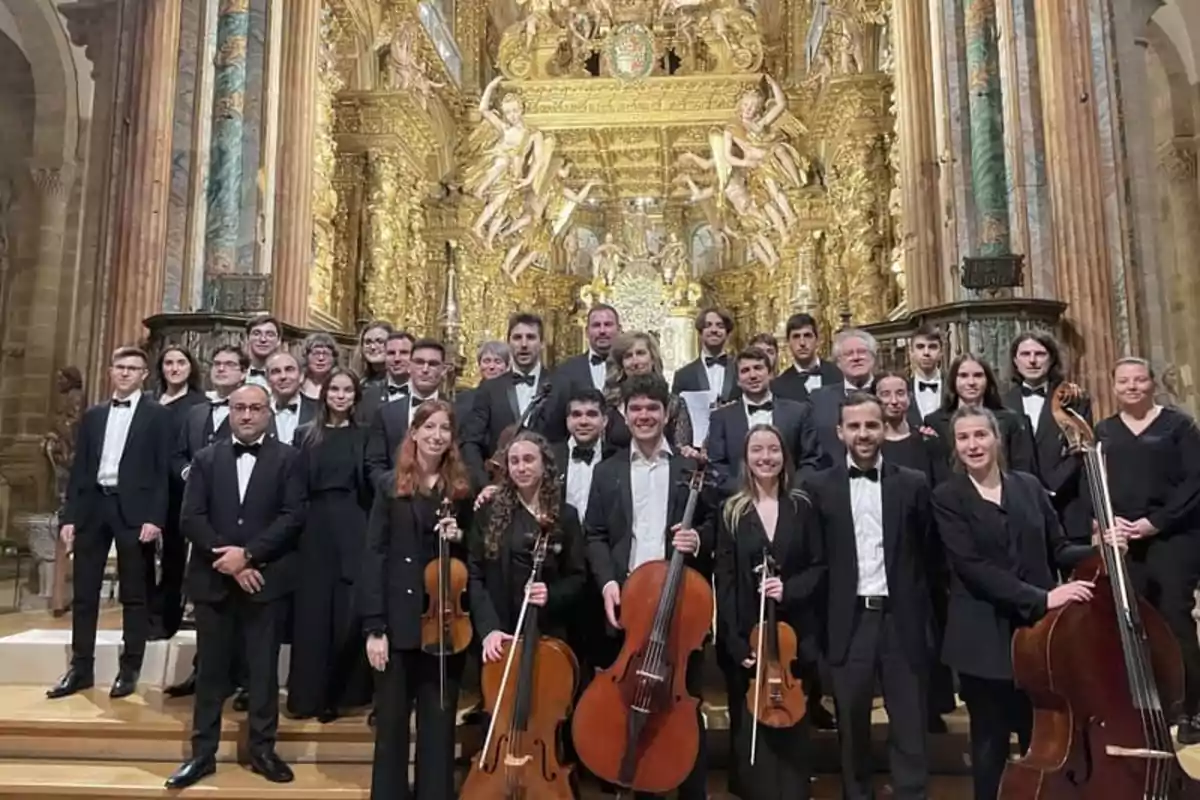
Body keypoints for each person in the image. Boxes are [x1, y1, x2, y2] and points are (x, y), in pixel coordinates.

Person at [932, 405, 1097, 800]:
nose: (973, 444)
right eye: (964, 437)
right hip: (982, 638)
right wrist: (1042, 597)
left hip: (1038, 637)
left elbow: (1057, 548)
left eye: (980, 435)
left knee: (1039, 735)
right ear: (955, 446)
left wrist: (1097, 548)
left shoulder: (1028, 485)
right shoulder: (947, 497)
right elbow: (973, 568)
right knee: (989, 742)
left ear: (996, 438)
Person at [167, 384, 304, 788]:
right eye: (239, 408)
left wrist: (249, 556)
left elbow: (293, 516)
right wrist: (227, 559)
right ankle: (202, 754)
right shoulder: (206, 459)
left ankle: (262, 749)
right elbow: (191, 517)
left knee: (263, 673)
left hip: (266, 580)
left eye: (255, 408)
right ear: (229, 412)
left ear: (268, 413)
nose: (246, 415)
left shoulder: (289, 459)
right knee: (211, 673)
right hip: (213, 580)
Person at [582, 374, 711, 799]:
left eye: (652, 408)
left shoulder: (690, 468)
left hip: (678, 604)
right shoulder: (607, 471)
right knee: (622, 701)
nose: (643, 416)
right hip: (629, 604)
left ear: (666, 413)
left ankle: (677, 777)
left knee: (678, 700)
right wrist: (606, 584)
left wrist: (698, 539)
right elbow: (595, 534)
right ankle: (620, 776)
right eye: (635, 409)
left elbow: (712, 527)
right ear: (623, 414)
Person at [807, 393, 934, 800]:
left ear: (884, 429)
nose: (864, 434)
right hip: (849, 619)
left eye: (872, 425)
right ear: (840, 432)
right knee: (852, 721)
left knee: (910, 721)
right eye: (855, 427)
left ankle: (912, 794)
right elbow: (816, 561)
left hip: (902, 618)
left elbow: (930, 558)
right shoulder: (818, 487)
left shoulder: (912, 483)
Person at [359, 399, 474, 799]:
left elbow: (474, 555)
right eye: (429, 427)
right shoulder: (391, 486)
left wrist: (458, 537)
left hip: (444, 623)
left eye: (444, 428)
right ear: (415, 432)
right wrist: (374, 627)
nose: (436, 435)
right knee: (391, 726)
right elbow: (374, 555)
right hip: (397, 620)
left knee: (438, 726)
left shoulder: (459, 489)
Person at [48, 346, 172, 700]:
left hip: (135, 511)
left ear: (144, 374)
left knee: (135, 594)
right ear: (110, 371)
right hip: (93, 507)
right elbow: (80, 470)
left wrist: (155, 518)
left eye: (133, 368)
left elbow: (163, 472)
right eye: (120, 367)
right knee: (85, 594)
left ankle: (129, 668)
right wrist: (70, 517)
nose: (125, 373)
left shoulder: (158, 416)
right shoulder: (94, 415)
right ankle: (81, 668)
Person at [1094, 357, 1200, 743]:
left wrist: (1156, 522)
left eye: (1140, 380)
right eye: (1124, 381)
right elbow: (1097, 484)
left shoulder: (1179, 426)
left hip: (1173, 538)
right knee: (1133, 622)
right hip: (1125, 540)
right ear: (1115, 387)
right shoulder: (1104, 430)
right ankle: (1146, 708)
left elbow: (1195, 483)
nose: (1133, 387)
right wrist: (1109, 523)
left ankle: (1191, 709)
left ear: (1153, 384)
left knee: (1175, 619)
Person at [714, 424, 822, 800]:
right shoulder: (731, 511)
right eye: (757, 450)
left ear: (784, 455)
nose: (766, 457)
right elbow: (724, 581)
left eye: (773, 449)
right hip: (748, 636)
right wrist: (734, 639)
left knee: (792, 725)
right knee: (749, 728)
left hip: (795, 638)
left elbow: (819, 567)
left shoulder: (802, 506)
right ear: (745, 459)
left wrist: (788, 589)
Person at [287, 369, 374, 722]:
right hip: (314, 527)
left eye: (347, 390)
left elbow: (370, 484)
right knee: (313, 612)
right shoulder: (304, 435)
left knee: (347, 610)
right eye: (334, 390)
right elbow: (295, 487)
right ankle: (307, 696)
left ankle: (343, 696)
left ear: (355, 396)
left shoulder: (366, 435)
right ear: (324, 395)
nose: (340, 396)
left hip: (354, 523)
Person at [467, 430, 586, 669]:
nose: (521, 468)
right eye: (514, 461)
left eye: (529, 460)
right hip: (501, 635)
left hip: (549, 634)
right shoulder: (489, 512)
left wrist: (551, 594)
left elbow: (578, 577)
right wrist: (489, 629)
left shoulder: (566, 516)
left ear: (545, 465)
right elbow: (476, 576)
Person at [1003, 331, 1091, 543]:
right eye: (1025, 354)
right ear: (1015, 360)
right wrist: (1027, 491)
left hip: (1068, 504)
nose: (1032, 360)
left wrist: (1050, 489)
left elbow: (1080, 450)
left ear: (1051, 358)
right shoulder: (1002, 402)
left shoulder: (1074, 398)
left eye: (1040, 354)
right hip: (1020, 505)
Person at [708, 346, 825, 494]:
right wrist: (745, 494)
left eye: (758, 368)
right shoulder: (721, 417)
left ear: (770, 374)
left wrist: (790, 491)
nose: (752, 375)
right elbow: (717, 467)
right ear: (737, 380)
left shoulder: (799, 412)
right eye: (745, 371)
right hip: (739, 503)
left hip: (791, 501)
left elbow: (811, 460)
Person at [151, 346, 206, 640]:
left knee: (173, 555)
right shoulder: (149, 401)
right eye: (168, 363)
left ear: (190, 367)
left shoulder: (198, 404)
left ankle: (167, 618)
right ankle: (145, 614)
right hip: (147, 485)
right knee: (143, 557)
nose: (174, 368)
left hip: (177, 488)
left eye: (180, 362)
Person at [462, 313, 554, 489]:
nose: (524, 344)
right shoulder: (490, 389)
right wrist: (484, 484)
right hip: (501, 488)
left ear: (542, 343)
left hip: (548, 490)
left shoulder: (560, 384)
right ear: (509, 343)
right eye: (517, 338)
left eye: (531, 337)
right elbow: (470, 441)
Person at [922, 353, 1034, 475]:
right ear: (953, 380)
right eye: (963, 376)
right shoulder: (934, 422)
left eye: (978, 375)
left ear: (988, 380)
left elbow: (1022, 470)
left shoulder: (1012, 420)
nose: (971, 382)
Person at [364, 338, 449, 493]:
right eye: (419, 362)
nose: (425, 369)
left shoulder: (458, 412)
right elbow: (375, 463)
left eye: (433, 364)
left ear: (443, 370)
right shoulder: (386, 413)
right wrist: (393, 491)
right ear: (409, 367)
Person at [671, 307, 738, 402]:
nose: (714, 330)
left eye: (720, 326)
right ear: (700, 332)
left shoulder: (741, 370)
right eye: (708, 325)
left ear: (727, 333)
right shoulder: (683, 375)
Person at [771, 313, 841, 403]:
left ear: (817, 340)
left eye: (807, 335)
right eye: (796, 336)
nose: (802, 343)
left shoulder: (837, 373)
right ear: (788, 342)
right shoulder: (779, 386)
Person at [358, 330, 414, 424]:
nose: (397, 359)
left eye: (404, 353)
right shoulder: (367, 396)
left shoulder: (426, 396)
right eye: (391, 353)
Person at [265, 351, 318, 446]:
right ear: (268, 380)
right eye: (276, 371)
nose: (283, 376)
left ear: (301, 376)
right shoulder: (258, 412)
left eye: (289, 370)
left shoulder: (320, 410)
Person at [244, 315, 282, 388]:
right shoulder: (235, 374)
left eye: (270, 335)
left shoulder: (286, 377)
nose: (263, 339)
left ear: (279, 341)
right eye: (256, 333)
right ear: (247, 338)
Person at [299, 332, 339, 400]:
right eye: (316, 353)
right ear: (306, 357)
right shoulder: (297, 383)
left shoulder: (340, 384)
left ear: (334, 358)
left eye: (326, 354)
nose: (321, 358)